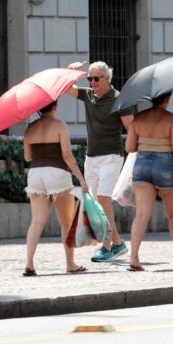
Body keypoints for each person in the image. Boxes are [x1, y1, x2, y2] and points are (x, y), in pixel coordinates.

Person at [66, 61, 134, 263]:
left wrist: (135, 156)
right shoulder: (88, 95)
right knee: (96, 204)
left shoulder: (119, 99)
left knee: (104, 199)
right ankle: (118, 243)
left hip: (112, 156)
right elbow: (67, 89)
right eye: (90, 78)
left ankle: (108, 246)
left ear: (107, 78)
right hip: (91, 157)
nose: (93, 82)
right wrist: (72, 72)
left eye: (96, 78)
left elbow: (131, 128)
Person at [124, 92, 173, 271]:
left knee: (141, 214)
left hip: (141, 166)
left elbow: (129, 147)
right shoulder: (172, 119)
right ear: (167, 99)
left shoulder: (138, 118)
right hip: (165, 166)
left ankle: (134, 257)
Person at [22, 101, 89, 276]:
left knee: (36, 221)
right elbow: (67, 155)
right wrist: (81, 179)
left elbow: (28, 157)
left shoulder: (30, 128)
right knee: (65, 221)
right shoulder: (60, 126)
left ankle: (29, 263)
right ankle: (70, 263)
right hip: (57, 173)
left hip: (35, 173)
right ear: (55, 107)